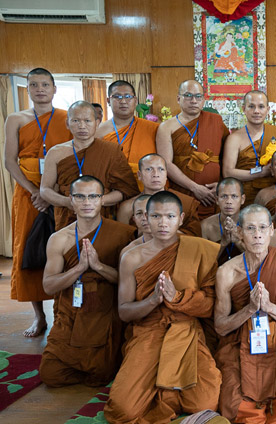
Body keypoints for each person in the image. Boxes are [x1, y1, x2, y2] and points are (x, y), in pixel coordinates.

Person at [104, 191, 222, 423]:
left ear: (181, 218)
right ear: (146, 218)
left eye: (169, 216)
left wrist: (177, 297)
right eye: (156, 216)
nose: (163, 223)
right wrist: (153, 300)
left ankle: (162, 395)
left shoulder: (201, 250)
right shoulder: (132, 257)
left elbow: (210, 306)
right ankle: (162, 394)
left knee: (204, 404)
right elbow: (124, 311)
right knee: (122, 410)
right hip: (148, 331)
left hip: (186, 330)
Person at [213, 204, 276, 423]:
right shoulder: (226, 272)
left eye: (263, 228)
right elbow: (220, 325)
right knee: (238, 408)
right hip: (239, 345)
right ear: (239, 232)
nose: (257, 235)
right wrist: (249, 309)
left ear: (271, 230)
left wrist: (269, 307)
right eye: (250, 229)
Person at [39, 176, 134, 387]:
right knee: (50, 375)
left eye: (93, 196)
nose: (87, 202)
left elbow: (130, 283)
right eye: (80, 197)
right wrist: (80, 268)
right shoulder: (59, 239)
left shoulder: (122, 234)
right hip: (72, 312)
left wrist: (99, 266)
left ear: (102, 200)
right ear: (71, 200)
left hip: (105, 310)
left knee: (101, 373)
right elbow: (48, 285)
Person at [4, 67, 72, 337]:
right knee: (31, 251)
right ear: (28, 89)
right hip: (28, 195)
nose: (40, 89)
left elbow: (72, 158)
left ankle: (62, 313)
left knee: (63, 252)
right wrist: (35, 190)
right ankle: (38, 316)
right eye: (34, 85)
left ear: (55, 89)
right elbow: (9, 161)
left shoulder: (67, 118)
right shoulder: (16, 119)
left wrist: (50, 192)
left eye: (45, 84)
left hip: (59, 193)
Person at [40, 101, 138, 231]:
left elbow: (125, 190)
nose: (82, 126)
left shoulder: (111, 151)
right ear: (67, 124)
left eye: (87, 121)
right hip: (68, 215)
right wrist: (67, 202)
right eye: (76, 121)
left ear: (97, 123)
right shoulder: (55, 153)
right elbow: (45, 189)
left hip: (103, 215)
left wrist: (97, 201)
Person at [156, 79, 230, 219]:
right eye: (188, 96)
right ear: (179, 98)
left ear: (203, 100)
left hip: (212, 192)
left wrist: (222, 185)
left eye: (198, 96)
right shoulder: (166, 127)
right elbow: (166, 163)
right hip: (183, 190)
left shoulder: (216, 121)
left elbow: (227, 157)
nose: (194, 101)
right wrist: (194, 187)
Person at [222, 90, 276, 206]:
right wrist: (261, 173)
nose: (256, 111)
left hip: (273, 194)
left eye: (261, 107)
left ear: (267, 109)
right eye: (251, 106)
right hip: (244, 195)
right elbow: (228, 172)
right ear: (244, 109)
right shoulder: (234, 138)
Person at [116, 153, 201, 236]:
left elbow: (195, 240)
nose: (155, 174)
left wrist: (161, 230)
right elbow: (123, 241)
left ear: (166, 175)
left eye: (161, 169)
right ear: (139, 175)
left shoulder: (186, 202)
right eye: (149, 169)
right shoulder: (127, 207)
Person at [96, 80, 159, 185]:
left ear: (135, 100)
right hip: (112, 187)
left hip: (147, 188)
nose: (123, 101)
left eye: (128, 96)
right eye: (117, 97)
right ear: (108, 101)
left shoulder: (153, 129)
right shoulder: (98, 132)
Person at [201, 178, 246, 265]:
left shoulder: (250, 224)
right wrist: (223, 243)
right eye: (224, 196)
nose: (229, 201)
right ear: (217, 200)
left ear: (243, 199)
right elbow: (204, 264)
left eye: (234, 196)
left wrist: (238, 242)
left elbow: (257, 260)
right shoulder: (206, 226)